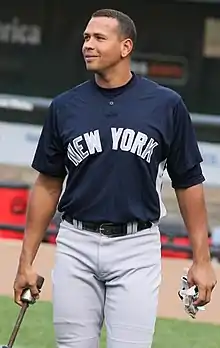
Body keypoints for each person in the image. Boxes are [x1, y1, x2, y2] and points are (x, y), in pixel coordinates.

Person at [13, 8, 216, 348]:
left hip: (136, 247)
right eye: (85, 38)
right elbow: (48, 184)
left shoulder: (166, 105)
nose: (88, 45)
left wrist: (202, 261)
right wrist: (25, 263)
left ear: (125, 47)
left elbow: (189, 182)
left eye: (98, 38)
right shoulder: (65, 107)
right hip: (76, 243)